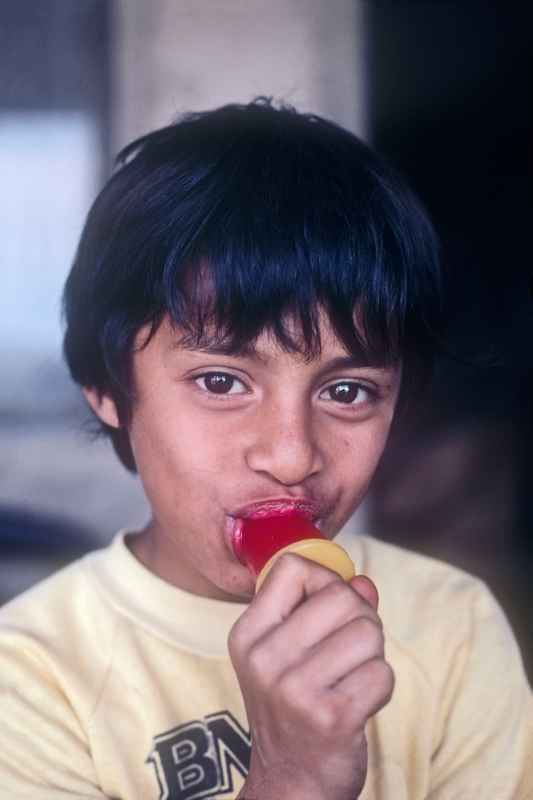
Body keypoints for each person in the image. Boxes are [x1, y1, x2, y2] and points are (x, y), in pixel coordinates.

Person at [0, 99, 530, 800]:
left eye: (347, 392)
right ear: (105, 386)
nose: (290, 456)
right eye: (221, 381)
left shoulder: (450, 623)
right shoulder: (29, 677)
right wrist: (293, 777)